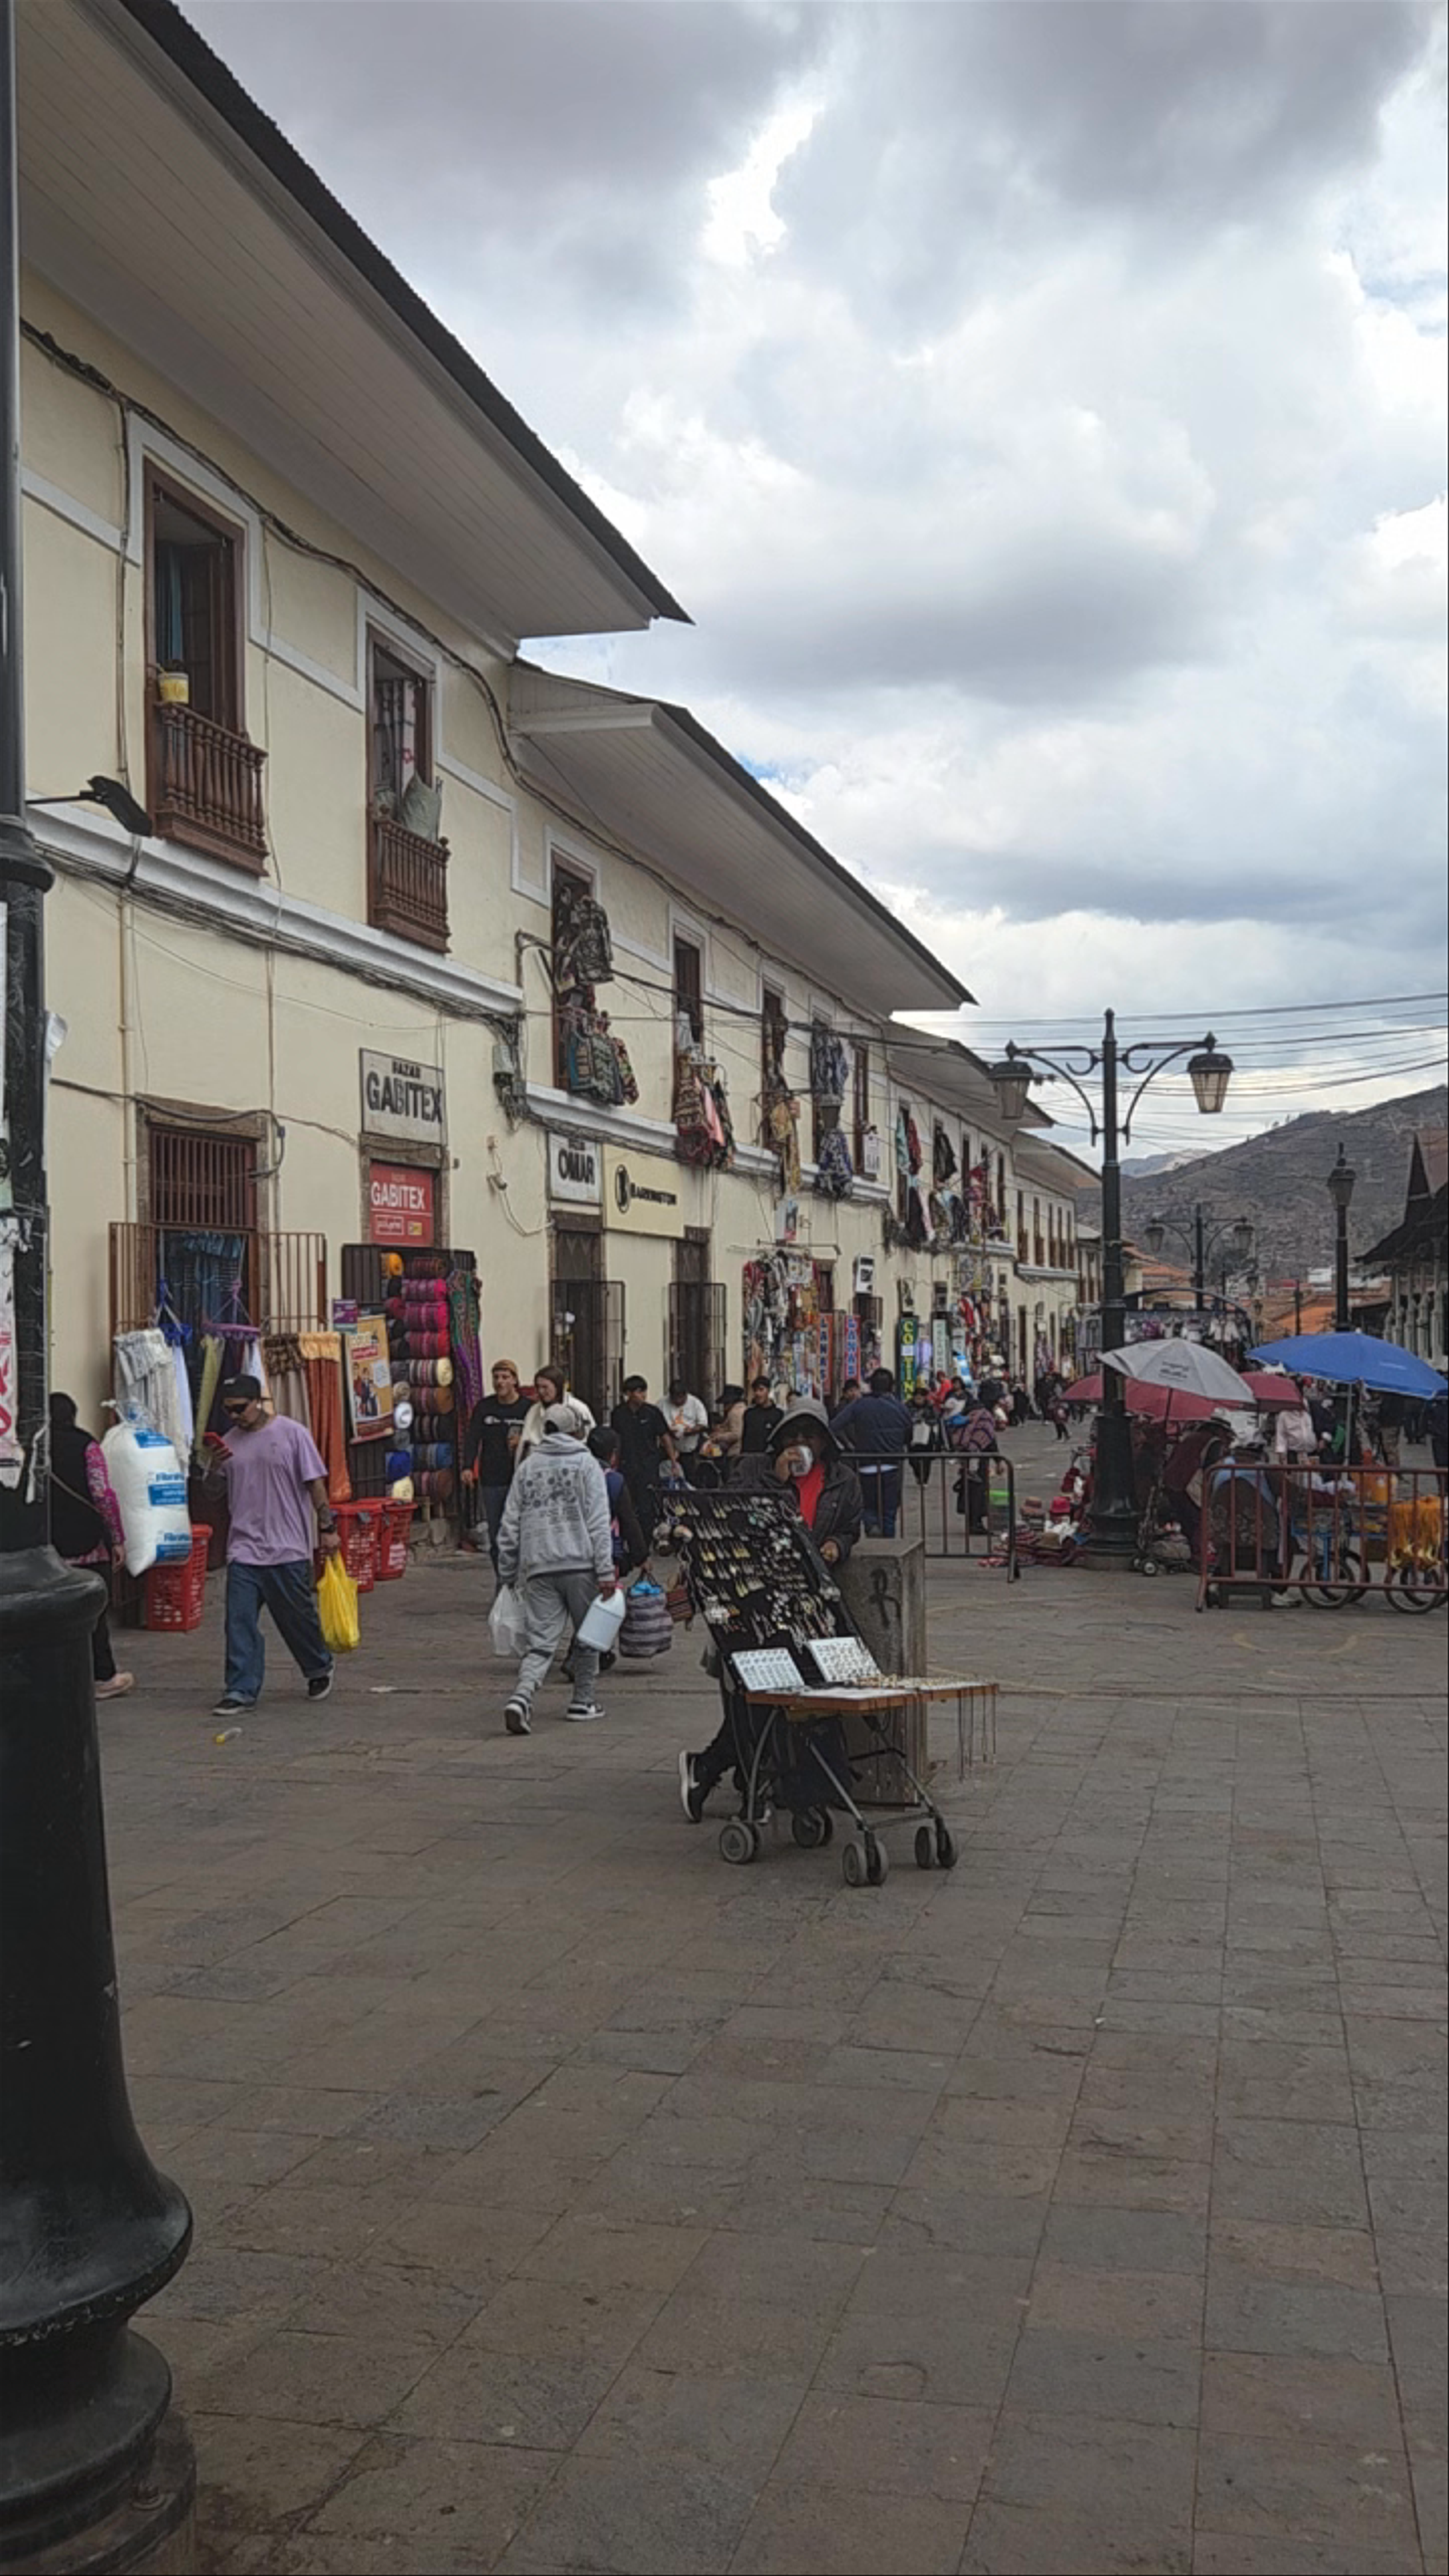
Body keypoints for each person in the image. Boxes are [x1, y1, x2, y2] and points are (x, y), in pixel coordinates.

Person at [678, 1398, 863, 1821]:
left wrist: (838, 1545)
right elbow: (729, 1518)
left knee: (803, 1697)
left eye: (809, 1436)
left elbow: (851, 1526)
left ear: (824, 1441)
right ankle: (748, 1780)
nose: (800, 1444)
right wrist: (778, 1484)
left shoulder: (842, 1480)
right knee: (754, 1697)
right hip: (752, 1600)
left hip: (808, 1602)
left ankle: (728, 1771)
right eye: (792, 1436)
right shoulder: (752, 1470)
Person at [205, 1374, 340, 1718]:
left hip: (288, 1546)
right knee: (239, 1620)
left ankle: (318, 1664)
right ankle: (240, 1687)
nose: (234, 1416)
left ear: (258, 1402)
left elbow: (315, 1484)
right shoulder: (229, 1444)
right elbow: (213, 1494)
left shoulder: (293, 1434)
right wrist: (214, 1466)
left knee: (297, 1618)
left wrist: (327, 1527)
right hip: (244, 1549)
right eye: (228, 1410)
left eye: (239, 1408)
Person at [496, 1399, 616, 1734]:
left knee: (541, 1643)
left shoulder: (528, 1468)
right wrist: (605, 1570)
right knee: (590, 1636)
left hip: (538, 1565)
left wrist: (507, 1570)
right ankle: (583, 1700)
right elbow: (598, 1521)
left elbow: (509, 1525)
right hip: (581, 1564)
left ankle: (522, 1697)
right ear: (574, 1431)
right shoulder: (586, 1465)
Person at [48, 1390, 134, 1700]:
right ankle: (103, 1675)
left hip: (49, 1548)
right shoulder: (86, 1446)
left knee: (52, 1614)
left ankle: (55, 1678)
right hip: (88, 1544)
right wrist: (117, 1538)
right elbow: (102, 1495)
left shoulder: (30, 1449)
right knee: (94, 1611)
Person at [460, 1359, 531, 1571]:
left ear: (515, 1381)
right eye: (496, 1378)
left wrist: (524, 1441)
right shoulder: (485, 1408)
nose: (500, 1382)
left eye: (505, 1377)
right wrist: (467, 1466)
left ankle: (520, 1576)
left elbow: (540, 1439)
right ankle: (502, 1579)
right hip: (492, 1479)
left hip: (520, 1479)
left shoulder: (528, 1409)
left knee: (519, 1530)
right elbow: (473, 1438)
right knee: (497, 1532)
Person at [1208, 1435, 1294, 1604]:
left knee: (1225, 1548)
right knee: (1288, 1540)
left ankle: (1216, 1581)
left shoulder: (1218, 1468)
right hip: (1262, 1535)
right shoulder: (1266, 1471)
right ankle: (1278, 1588)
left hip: (1224, 1535)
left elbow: (1208, 1495)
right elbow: (1289, 1492)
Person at [831, 1367, 912, 1536]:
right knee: (889, 1512)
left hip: (866, 1464)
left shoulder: (859, 1406)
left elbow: (835, 1426)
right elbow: (909, 1435)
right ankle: (890, 1548)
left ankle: (872, 1527)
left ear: (871, 1386)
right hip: (892, 1465)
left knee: (868, 1507)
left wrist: (848, 1445)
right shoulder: (900, 1408)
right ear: (892, 1386)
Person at [611, 1376, 677, 1534]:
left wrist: (673, 1461)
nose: (643, 1395)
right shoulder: (619, 1414)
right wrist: (614, 1461)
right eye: (639, 1392)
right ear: (628, 1394)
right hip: (627, 1464)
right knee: (627, 1503)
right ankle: (628, 1537)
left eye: (644, 1391)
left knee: (647, 1504)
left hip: (648, 1465)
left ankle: (646, 1538)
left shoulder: (652, 1413)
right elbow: (616, 1439)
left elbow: (665, 1437)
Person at [515, 1362, 594, 1462]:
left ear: (558, 1387)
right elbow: (523, 1447)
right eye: (538, 1387)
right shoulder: (534, 1411)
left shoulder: (579, 1409)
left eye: (545, 1387)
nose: (541, 1392)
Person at [664, 1379, 710, 1475]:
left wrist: (692, 1431)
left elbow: (703, 1424)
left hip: (689, 1449)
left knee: (690, 1474)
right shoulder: (662, 1403)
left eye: (681, 1398)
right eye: (675, 1399)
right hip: (668, 1450)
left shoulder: (696, 1404)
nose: (678, 1401)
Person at [739, 1376, 783, 1456]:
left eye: (761, 1390)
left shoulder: (778, 1414)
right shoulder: (750, 1414)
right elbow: (745, 1439)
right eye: (755, 1390)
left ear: (769, 1391)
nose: (758, 1394)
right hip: (750, 1458)